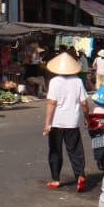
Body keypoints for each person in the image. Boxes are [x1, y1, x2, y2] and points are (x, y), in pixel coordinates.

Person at [43, 52, 89, 192]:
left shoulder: (54, 82)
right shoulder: (78, 81)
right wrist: (87, 118)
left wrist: (47, 123)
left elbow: (51, 103)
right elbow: (84, 103)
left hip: (57, 122)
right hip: (72, 122)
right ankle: (80, 175)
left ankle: (56, 179)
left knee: (55, 151)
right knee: (75, 150)